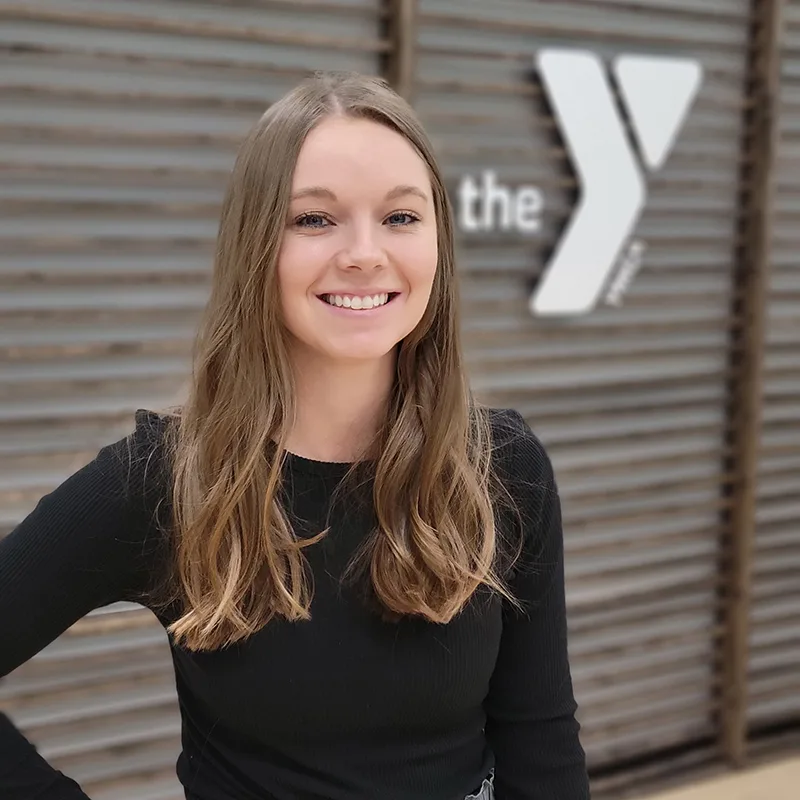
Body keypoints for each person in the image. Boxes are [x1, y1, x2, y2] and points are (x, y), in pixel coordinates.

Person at [0, 71, 590, 800]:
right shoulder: (166, 479)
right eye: (315, 219)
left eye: (401, 217)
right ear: (257, 245)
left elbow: (541, 740)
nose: (365, 253)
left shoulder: (504, 467)